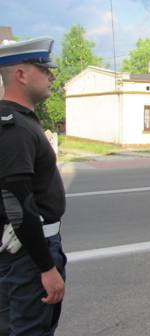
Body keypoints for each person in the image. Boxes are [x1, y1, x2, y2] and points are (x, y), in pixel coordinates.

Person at [0, 37, 67, 335]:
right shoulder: (14, 126)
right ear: (21, 74)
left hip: (23, 248)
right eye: (44, 68)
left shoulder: (20, 120)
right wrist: (45, 267)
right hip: (29, 252)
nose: (51, 75)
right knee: (30, 329)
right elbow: (18, 204)